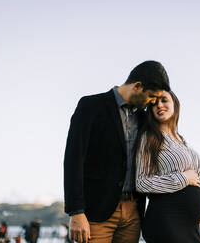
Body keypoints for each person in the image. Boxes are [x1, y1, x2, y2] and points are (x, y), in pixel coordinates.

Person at [63, 60, 171, 243]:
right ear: (137, 86)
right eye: (152, 96)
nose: (153, 102)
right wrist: (76, 212)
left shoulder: (144, 118)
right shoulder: (90, 106)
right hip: (96, 213)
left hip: (133, 213)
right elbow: (73, 160)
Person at [135, 90, 200, 243]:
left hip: (189, 225)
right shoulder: (148, 138)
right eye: (154, 104)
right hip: (167, 221)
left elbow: (196, 181)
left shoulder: (181, 140)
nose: (159, 105)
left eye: (164, 100)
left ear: (175, 104)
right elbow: (141, 182)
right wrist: (183, 178)